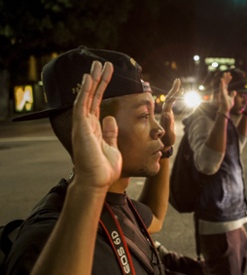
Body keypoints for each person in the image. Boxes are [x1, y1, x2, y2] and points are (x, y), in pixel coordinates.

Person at [3, 46, 202, 274]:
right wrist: (89, 186)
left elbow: (154, 217)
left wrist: (165, 149)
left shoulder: (114, 199)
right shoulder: (45, 242)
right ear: (96, 129)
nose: (158, 129)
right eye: (145, 116)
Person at [182, 68, 247, 274]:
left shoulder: (223, 117)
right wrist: (224, 111)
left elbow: (235, 148)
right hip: (217, 219)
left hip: (231, 216)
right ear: (225, 93)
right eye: (241, 94)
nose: (245, 99)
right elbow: (207, 165)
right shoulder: (203, 118)